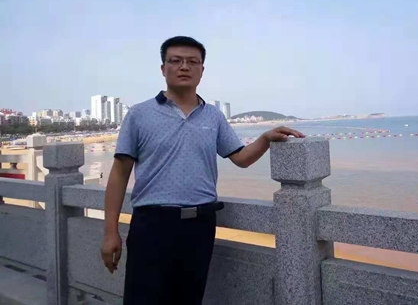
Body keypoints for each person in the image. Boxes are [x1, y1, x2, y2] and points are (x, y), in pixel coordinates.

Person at [100, 36, 304, 304]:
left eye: (192, 62)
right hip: (152, 224)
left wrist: (265, 139)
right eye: (176, 61)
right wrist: (110, 232)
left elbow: (241, 158)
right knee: (143, 298)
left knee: (189, 298)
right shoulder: (140, 114)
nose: (184, 66)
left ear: (202, 70)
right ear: (163, 68)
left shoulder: (213, 116)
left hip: (200, 225)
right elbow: (119, 174)